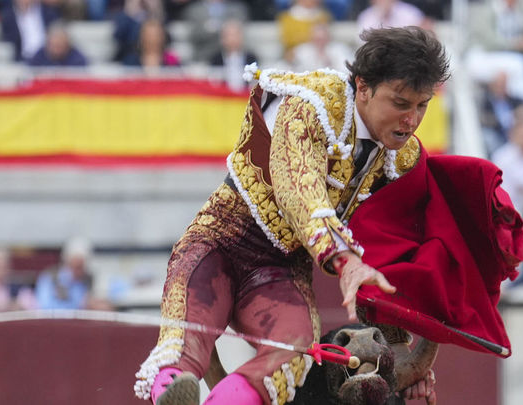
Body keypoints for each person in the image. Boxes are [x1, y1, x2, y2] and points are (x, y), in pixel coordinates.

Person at [134, 26, 450, 405]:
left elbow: (395, 247)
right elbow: (298, 191)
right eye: (400, 103)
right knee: (185, 343)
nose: (411, 120)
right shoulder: (309, 104)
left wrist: (403, 353)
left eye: (422, 106)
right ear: (363, 87)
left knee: (291, 356)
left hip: (281, 271)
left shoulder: (402, 157)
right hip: (218, 242)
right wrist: (345, 261)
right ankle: (173, 393)